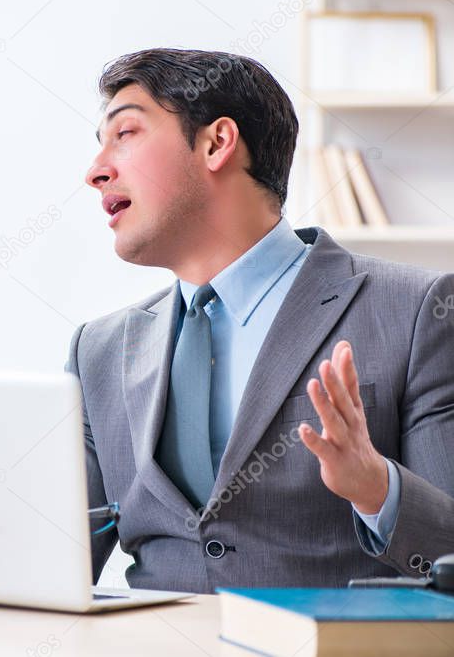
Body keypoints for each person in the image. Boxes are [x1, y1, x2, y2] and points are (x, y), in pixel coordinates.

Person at [68, 48, 454, 593]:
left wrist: (377, 488)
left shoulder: (417, 312)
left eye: (125, 134)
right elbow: (44, 561)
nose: (95, 171)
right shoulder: (98, 350)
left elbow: (451, 560)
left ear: (216, 143)